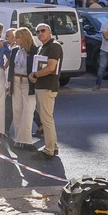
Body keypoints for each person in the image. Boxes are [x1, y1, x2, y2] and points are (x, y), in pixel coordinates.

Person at [29, 23, 63, 157]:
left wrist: (36, 75)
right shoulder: (43, 47)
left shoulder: (54, 46)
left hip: (48, 86)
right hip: (41, 85)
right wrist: (34, 75)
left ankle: (49, 150)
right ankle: (52, 146)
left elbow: (51, 67)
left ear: (49, 32)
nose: (40, 33)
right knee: (47, 118)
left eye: (43, 31)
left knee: (46, 119)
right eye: (37, 32)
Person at [8, 26, 35, 148]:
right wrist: (10, 85)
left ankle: (26, 140)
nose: (16, 39)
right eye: (15, 37)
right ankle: (19, 140)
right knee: (17, 110)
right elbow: (11, 69)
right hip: (15, 80)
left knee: (28, 111)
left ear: (25, 37)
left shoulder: (34, 51)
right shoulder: (15, 51)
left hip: (28, 82)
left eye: (18, 37)